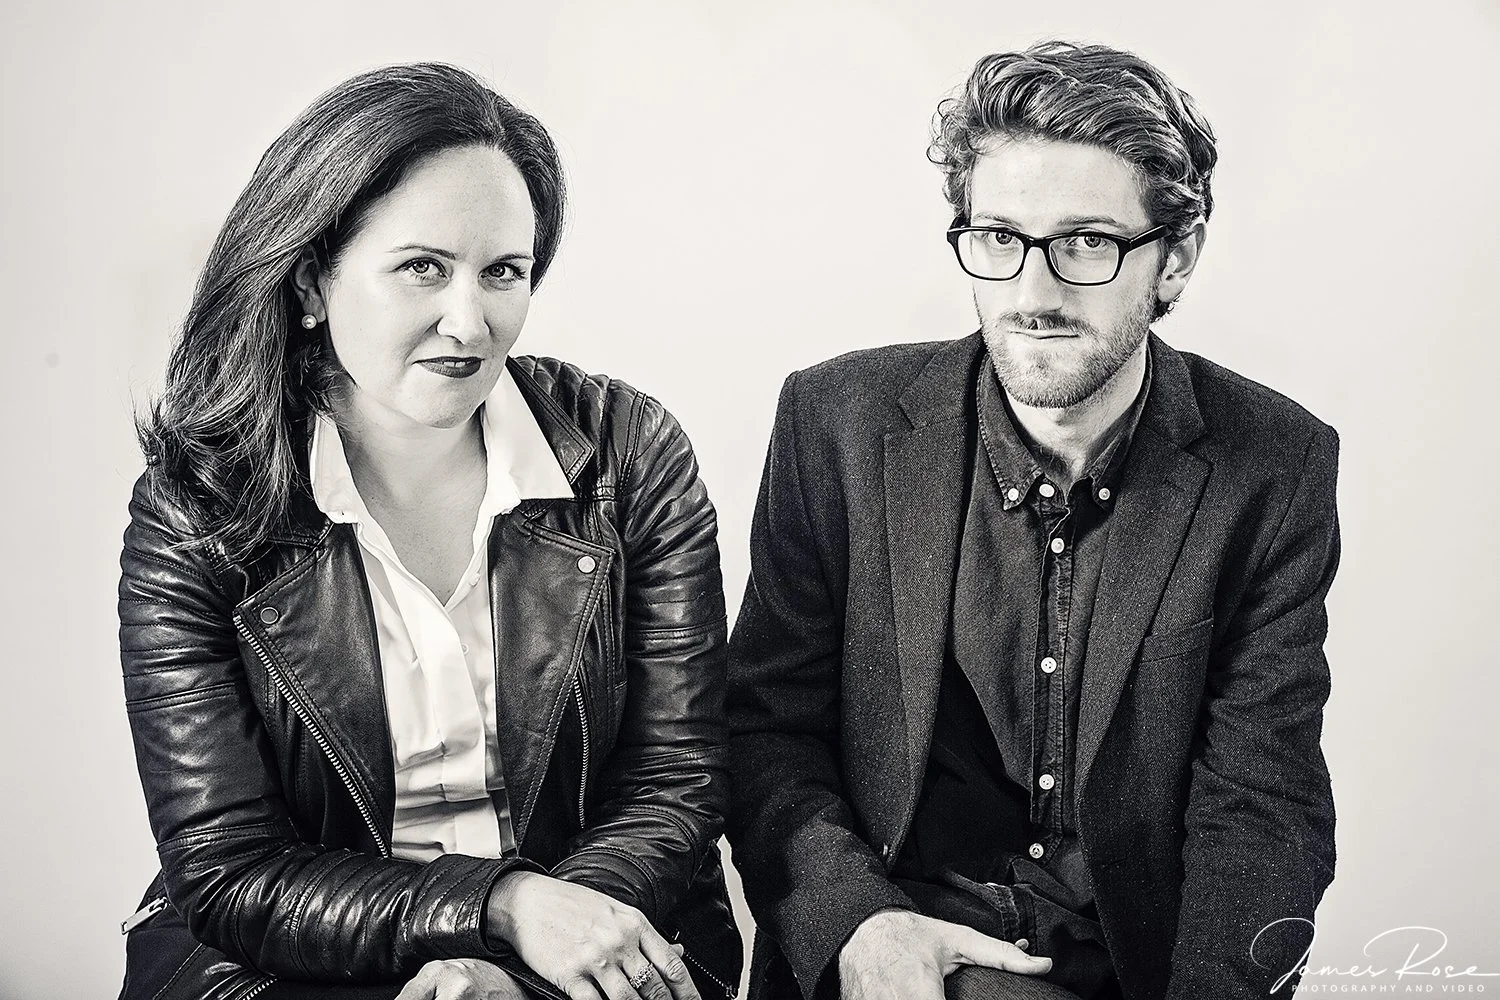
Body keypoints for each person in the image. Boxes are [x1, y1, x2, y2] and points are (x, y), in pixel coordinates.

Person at [726, 41, 1339, 1000]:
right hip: (892, 941)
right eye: (999, 238)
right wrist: (858, 924)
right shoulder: (835, 421)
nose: (1033, 293)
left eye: (1088, 243)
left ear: (1174, 261)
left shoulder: (1276, 463)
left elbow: (1262, 804)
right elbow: (766, 729)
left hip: (1128, 969)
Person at [118, 63, 740, 1000]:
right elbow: (230, 866)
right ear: (311, 281)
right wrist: (500, 908)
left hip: (596, 928)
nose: (471, 319)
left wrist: (531, 958)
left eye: (504, 272)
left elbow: (676, 782)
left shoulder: (629, 453)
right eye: (421, 268)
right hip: (295, 952)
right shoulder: (197, 504)